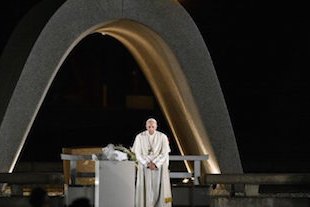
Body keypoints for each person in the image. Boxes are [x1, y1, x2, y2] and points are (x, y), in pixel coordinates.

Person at [132, 118, 172, 207]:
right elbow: (137, 153)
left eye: (153, 127)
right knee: (145, 188)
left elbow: (165, 153)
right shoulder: (139, 137)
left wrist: (156, 163)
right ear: (146, 126)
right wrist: (147, 163)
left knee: (160, 188)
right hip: (144, 165)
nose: (151, 129)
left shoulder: (162, 137)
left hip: (159, 166)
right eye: (149, 127)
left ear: (156, 126)